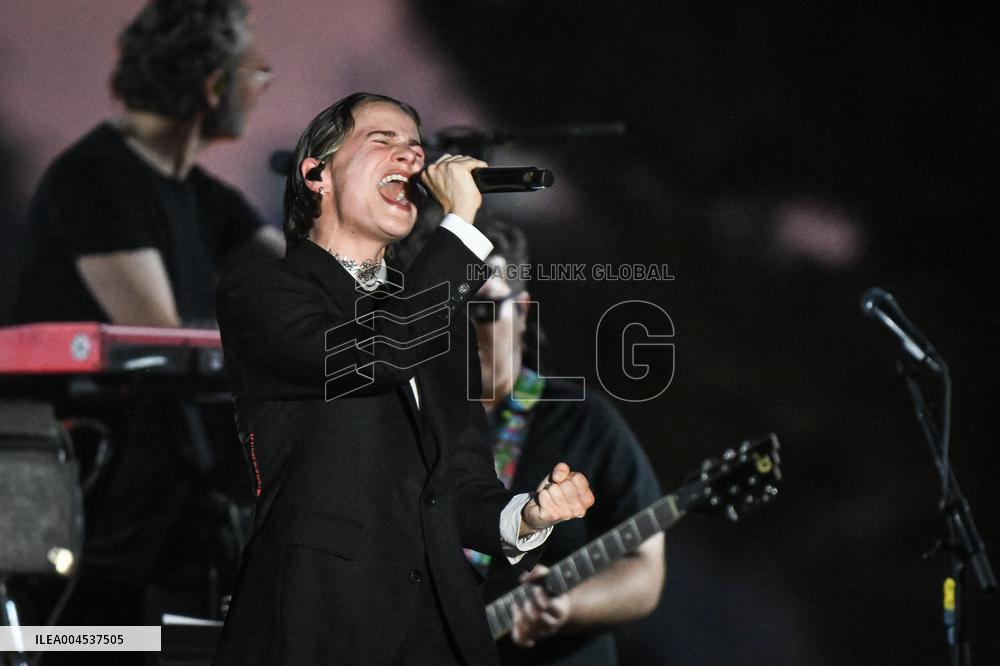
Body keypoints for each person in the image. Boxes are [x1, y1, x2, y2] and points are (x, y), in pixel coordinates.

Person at [213, 93, 595, 665]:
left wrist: (527, 515)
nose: (413, 158)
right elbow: (374, 355)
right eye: (383, 141)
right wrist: (460, 225)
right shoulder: (265, 293)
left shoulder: (431, 315)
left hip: (439, 636)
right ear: (316, 174)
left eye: (416, 147)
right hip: (320, 629)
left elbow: (461, 482)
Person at [6, 0, 282, 644]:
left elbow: (303, 269)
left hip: (154, 500)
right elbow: (161, 348)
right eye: (255, 70)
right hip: (82, 507)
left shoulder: (198, 192)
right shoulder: (97, 179)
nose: (263, 81)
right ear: (214, 86)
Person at [472, 220, 666, 665]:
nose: (466, 323)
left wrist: (569, 605)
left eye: (483, 309)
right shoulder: (415, 421)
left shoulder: (583, 418)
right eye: (450, 306)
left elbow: (646, 569)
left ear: (521, 310)